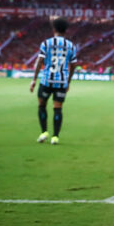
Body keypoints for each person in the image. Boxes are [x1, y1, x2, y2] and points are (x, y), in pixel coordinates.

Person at [29, 17, 78, 145]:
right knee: (58, 108)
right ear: (66, 30)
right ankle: (55, 137)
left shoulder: (46, 43)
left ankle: (44, 132)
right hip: (61, 82)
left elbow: (39, 62)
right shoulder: (71, 46)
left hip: (46, 81)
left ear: (54, 29)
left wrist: (34, 79)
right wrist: (68, 81)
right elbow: (73, 65)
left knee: (42, 105)